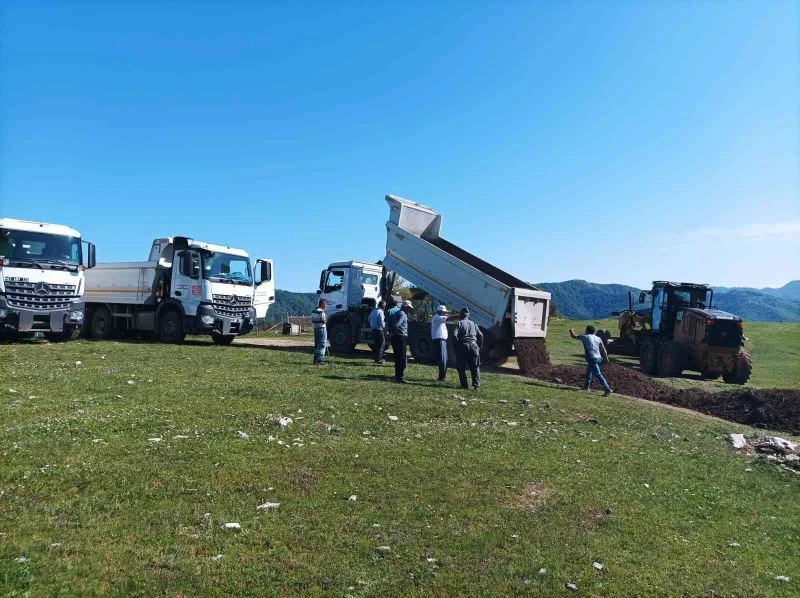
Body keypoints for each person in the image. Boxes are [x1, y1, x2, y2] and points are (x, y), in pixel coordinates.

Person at [570, 325, 613, 396]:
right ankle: (586, 386)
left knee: (598, 374)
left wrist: (571, 331)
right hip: (599, 357)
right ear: (594, 331)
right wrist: (606, 357)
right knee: (589, 371)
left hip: (592, 357)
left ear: (586, 331)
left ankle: (607, 389)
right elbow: (603, 348)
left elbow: (574, 336)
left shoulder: (585, 336)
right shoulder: (598, 338)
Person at [455, 307, 483, 391]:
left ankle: (464, 385)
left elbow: (454, 334)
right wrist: (479, 346)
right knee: (475, 367)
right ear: (468, 315)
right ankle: (476, 386)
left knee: (461, 367)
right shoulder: (473, 324)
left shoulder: (459, 323)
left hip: (463, 345)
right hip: (474, 346)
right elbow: (481, 335)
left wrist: (456, 344)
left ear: (461, 315)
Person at [388, 299, 413, 383]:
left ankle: (398, 376)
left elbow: (391, 324)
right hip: (400, 337)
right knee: (401, 358)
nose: (410, 309)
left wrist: (392, 332)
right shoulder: (403, 314)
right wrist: (397, 332)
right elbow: (396, 325)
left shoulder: (397, 313)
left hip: (396, 337)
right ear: (405, 307)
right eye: (409, 308)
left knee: (397, 357)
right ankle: (400, 377)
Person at [431, 305, 456, 383]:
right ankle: (442, 377)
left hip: (441, 341)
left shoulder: (439, 318)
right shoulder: (437, 318)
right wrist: (460, 315)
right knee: (442, 359)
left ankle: (443, 376)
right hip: (439, 340)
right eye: (445, 312)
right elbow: (450, 318)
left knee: (444, 359)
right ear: (441, 312)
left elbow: (448, 317)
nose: (446, 313)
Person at [311, 299, 328, 365]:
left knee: (317, 345)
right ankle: (320, 360)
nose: (326, 306)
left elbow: (313, 320)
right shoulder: (321, 312)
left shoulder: (313, 311)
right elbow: (324, 321)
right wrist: (326, 318)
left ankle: (315, 360)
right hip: (322, 329)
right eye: (325, 304)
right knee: (322, 344)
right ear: (322, 304)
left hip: (316, 329)